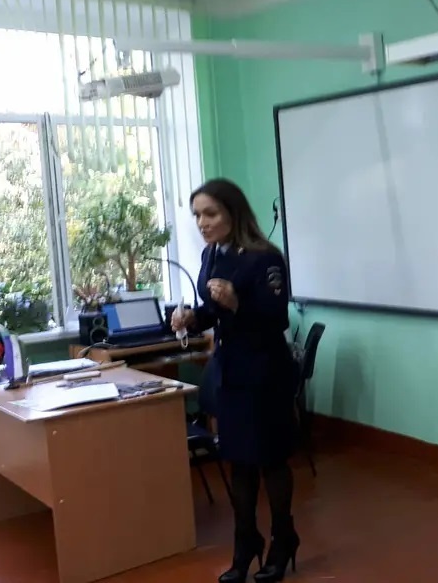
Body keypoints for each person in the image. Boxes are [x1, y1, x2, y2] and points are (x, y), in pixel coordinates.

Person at [171, 178, 300, 583]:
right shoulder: (211, 254)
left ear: (233, 212)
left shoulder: (265, 258)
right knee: (239, 461)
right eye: (197, 215)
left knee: (271, 460)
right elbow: (213, 311)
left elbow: (277, 319)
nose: (202, 223)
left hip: (265, 371)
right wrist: (192, 318)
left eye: (210, 213)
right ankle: (246, 543)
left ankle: (283, 539)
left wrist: (238, 303)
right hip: (231, 372)